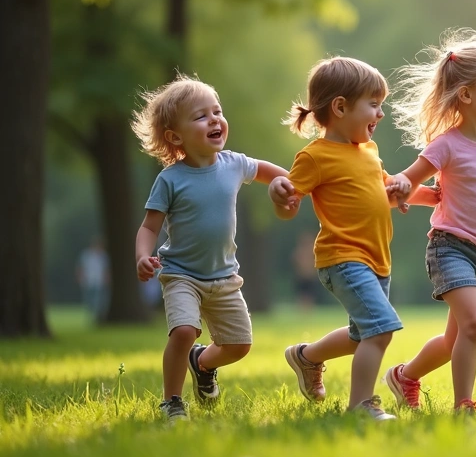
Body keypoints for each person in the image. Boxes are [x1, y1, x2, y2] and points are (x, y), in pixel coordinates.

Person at [270, 56, 437, 421]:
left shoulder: (369, 152)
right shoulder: (314, 157)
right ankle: (362, 405)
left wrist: (423, 194)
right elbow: (288, 206)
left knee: (361, 335)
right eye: (373, 105)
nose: (381, 114)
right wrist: (280, 197)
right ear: (341, 107)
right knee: (381, 330)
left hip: (377, 259)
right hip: (343, 258)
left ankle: (306, 356)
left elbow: (384, 191)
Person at [382, 29, 476, 413]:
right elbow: (407, 180)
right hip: (450, 248)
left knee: (457, 339)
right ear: (466, 94)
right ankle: (463, 403)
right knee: (475, 325)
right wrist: (403, 188)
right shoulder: (446, 145)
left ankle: (404, 376)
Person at [131, 76, 289, 422]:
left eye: (217, 112)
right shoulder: (170, 179)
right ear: (176, 137)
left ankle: (202, 363)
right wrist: (143, 256)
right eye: (201, 116)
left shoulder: (234, 164)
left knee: (239, 345)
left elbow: (275, 174)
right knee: (184, 331)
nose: (215, 120)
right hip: (181, 275)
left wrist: (286, 185)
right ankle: (172, 401)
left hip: (224, 277)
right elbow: (149, 227)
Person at [77, 237, 109, 322]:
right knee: (89, 301)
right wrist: (81, 278)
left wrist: (106, 279)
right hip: (88, 282)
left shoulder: (103, 256)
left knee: (99, 301)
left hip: (99, 282)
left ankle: (98, 316)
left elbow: (106, 269)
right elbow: (81, 268)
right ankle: (91, 316)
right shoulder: (86, 255)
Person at [292, 230, 320, 311]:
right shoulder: (300, 251)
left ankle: (308, 309)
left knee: (310, 293)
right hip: (302, 276)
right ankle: (302, 309)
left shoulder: (313, 251)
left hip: (310, 276)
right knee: (302, 293)